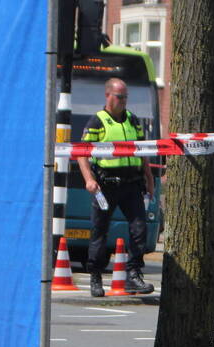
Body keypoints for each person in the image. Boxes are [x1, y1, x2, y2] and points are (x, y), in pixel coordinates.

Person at [77, 78, 155, 297]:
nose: (123, 101)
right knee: (100, 232)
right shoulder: (97, 121)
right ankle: (95, 276)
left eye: (126, 97)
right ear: (108, 96)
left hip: (132, 184)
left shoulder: (133, 120)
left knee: (139, 229)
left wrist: (149, 180)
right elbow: (82, 152)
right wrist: (88, 179)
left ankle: (133, 275)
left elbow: (142, 151)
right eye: (120, 97)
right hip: (106, 185)